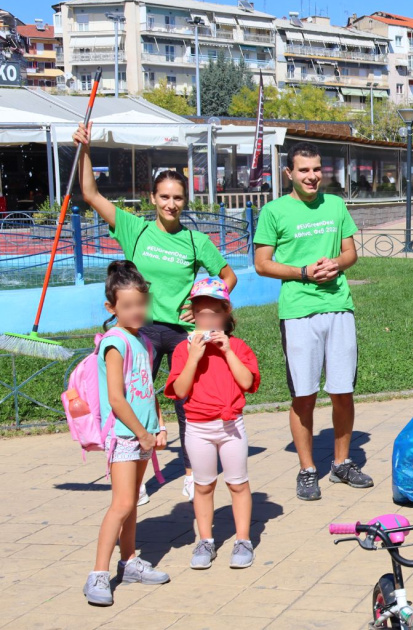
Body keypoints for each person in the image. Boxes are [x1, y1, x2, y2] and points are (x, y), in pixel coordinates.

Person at [75, 122, 238, 504]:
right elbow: (89, 193)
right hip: (143, 331)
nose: (171, 204)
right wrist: (84, 149)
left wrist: (202, 300)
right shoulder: (134, 230)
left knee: (186, 400)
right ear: (152, 198)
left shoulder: (196, 240)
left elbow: (227, 276)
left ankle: (188, 472)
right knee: (136, 396)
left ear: (185, 200)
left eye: (178, 197)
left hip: (182, 331)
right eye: (164, 196)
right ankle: (137, 473)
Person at [254, 141, 371, 501]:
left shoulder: (335, 205)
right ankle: (307, 470)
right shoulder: (274, 211)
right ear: (289, 173)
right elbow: (262, 263)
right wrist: (302, 272)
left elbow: (351, 252)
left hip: (338, 307)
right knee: (303, 395)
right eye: (304, 170)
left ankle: (341, 463)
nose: (312, 176)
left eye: (317, 169)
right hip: (298, 311)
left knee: (342, 391)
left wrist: (338, 263)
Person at [84, 261, 170, 606]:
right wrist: (141, 433)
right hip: (123, 435)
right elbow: (117, 399)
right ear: (111, 308)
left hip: (143, 435)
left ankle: (130, 562)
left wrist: (159, 426)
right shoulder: (115, 342)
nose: (136, 311)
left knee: (132, 501)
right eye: (127, 306)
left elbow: (147, 390)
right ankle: (97, 575)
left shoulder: (143, 341)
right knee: (121, 504)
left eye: (140, 304)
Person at [164, 278, 261, 570]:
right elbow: (179, 391)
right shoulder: (184, 350)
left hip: (231, 427)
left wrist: (227, 350)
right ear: (193, 314)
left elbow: (247, 382)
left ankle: (242, 539)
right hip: (197, 428)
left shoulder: (239, 347)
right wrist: (194, 355)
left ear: (225, 314)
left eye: (213, 314)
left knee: (237, 483)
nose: (207, 321)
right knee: (203, 486)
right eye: (201, 314)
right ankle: (205, 540)